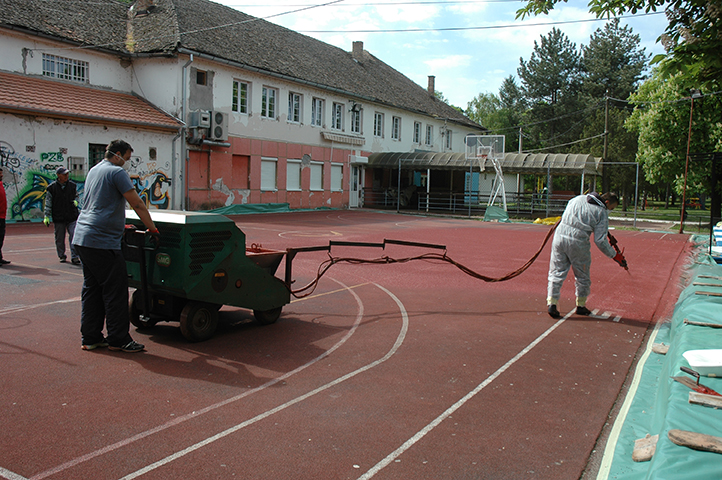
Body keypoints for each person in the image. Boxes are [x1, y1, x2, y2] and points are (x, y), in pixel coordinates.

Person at [72, 140, 158, 353]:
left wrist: (120, 223)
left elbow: (99, 202)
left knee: (92, 289)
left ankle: (91, 337)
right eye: (127, 158)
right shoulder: (116, 172)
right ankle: (119, 339)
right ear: (118, 154)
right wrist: (153, 229)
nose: (127, 163)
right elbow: (137, 203)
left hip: (83, 237)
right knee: (116, 291)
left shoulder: (95, 170)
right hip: (102, 241)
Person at [547, 192, 625, 319]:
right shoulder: (601, 212)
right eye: (612, 208)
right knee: (582, 275)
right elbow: (600, 241)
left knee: (556, 272)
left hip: (559, 238)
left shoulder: (578, 199)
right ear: (606, 203)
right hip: (578, 242)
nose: (610, 211)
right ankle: (581, 305)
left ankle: (552, 303)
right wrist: (614, 255)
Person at [44, 167, 80, 264]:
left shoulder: (72, 186)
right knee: (59, 237)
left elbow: (76, 196)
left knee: (74, 235)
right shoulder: (51, 188)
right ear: (58, 175)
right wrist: (46, 216)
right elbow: (48, 203)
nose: (66, 176)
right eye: (64, 174)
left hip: (72, 215)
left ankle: (75, 256)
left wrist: (77, 201)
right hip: (59, 216)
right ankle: (61, 255)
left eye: (67, 174)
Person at [0, 167, 9, 266]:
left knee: (1, 237)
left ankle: (0, 257)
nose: (2, 175)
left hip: (2, 216)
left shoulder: (1, 184)